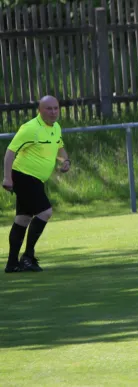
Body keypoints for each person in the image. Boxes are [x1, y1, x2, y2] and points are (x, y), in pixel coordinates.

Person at [2, 95, 71, 273]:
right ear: (40, 110)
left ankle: (12, 264)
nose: (53, 112)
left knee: (23, 218)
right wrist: (7, 178)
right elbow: (10, 152)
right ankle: (27, 257)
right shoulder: (30, 128)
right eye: (49, 108)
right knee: (45, 211)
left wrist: (65, 161)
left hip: (36, 180)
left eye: (56, 108)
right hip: (23, 176)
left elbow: (59, 147)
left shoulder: (56, 127)